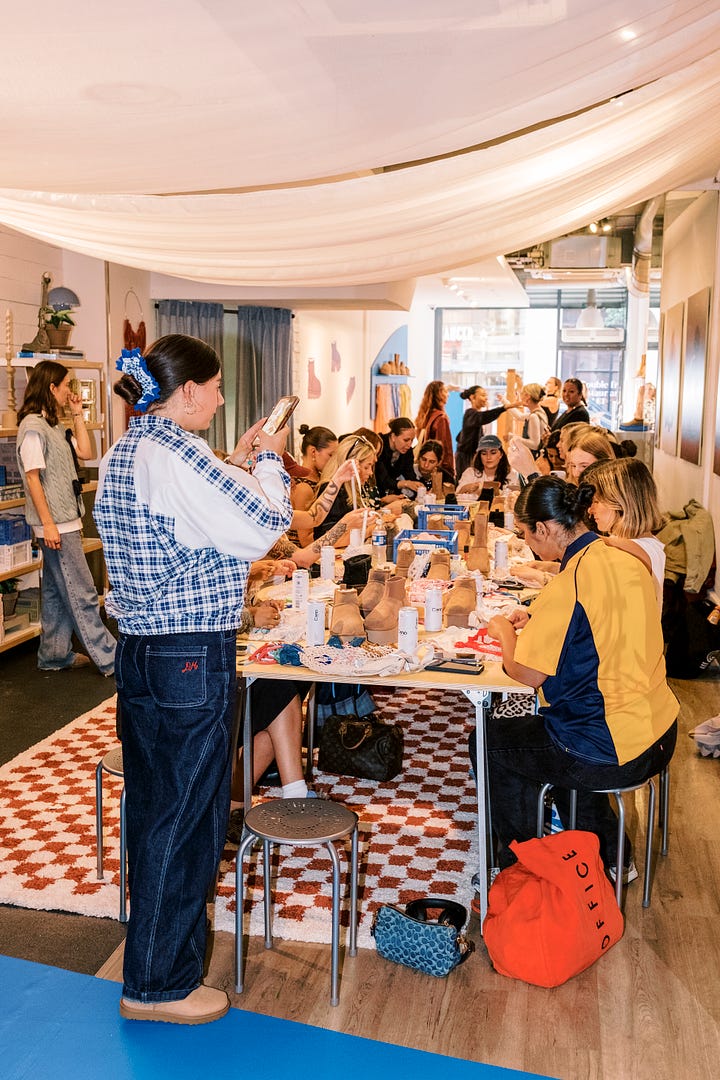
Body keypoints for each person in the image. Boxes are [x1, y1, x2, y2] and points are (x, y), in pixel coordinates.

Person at [94, 335, 293, 1025]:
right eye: (210, 387)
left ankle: (149, 969)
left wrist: (235, 462)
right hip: (187, 656)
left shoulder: (127, 450)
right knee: (187, 821)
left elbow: (186, 521)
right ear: (185, 392)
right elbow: (266, 521)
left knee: (154, 812)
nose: (216, 397)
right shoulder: (177, 453)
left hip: (143, 653)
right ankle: (159, 986)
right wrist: (268, 459)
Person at [473, 476, 678, 879]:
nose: (530, 544)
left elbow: (527, 673)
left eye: (528, 534)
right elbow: (605, 624)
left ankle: (521, 863)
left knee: (490, 741)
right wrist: (537, 619)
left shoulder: (568, 584)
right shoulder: (625, 559)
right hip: (659, 730)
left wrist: (505, 633)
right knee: (561, 729)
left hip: (610, 750)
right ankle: (609, 851)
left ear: (545, 529)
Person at [15, 361, 116, 675]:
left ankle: (54, 654)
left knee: (59, 591)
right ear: (51, 387)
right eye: (66, 386)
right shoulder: (32, 427)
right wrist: (47, 525)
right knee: (82, 589)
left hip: (65, 518)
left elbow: (86, 451)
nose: (70, 391)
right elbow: (33, 479)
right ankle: (111, 658)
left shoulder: (56, 427)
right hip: (54, 522)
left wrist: (76, 413)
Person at [584, 457, 666, 612]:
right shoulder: (624, 541)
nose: (590, 510)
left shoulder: (639, 548)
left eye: (596, 501)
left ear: (620, 502)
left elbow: (587, 542)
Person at [313, 433, 378, 540]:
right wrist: (371, 531)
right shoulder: (331, 490)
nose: (371, 473)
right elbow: (326, 539)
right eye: (366, 467)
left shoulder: (353, 489)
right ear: (352, 465)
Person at [454, 386, 519, 477]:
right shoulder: (471, 414)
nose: (486, 398)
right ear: (472, 397)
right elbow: (484, 417)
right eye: (483, 395)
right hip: (466, 459)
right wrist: (505, 408)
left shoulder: (474, 416)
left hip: (470, 456)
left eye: (486, 395)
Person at [414, 380, 455, 478]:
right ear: (439, 394)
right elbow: (443, 447)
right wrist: (449, 471)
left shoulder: (425, 416)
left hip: (424, 464)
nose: (448, 395)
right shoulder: (440, 418)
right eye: (445, 391)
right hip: (436, 468)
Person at [374, 417, 416, 499]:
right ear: (393, 436)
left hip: (391, 494)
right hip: (376, 493)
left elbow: (410, 474)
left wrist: (418, 485)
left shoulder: (408, 451)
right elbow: (383, 479)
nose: (409, 445)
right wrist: (405, 483)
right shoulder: (379, 446)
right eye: (406, 440)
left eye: (412, 440)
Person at [508, 383, 549, 456]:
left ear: (527, 396)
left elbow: (534, 444)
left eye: (522, 394)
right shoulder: (540, 412)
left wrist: (512, 437)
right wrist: (505, 402)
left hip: (533, 457)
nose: (521, 397)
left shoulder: (533, 416)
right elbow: (519, 416)